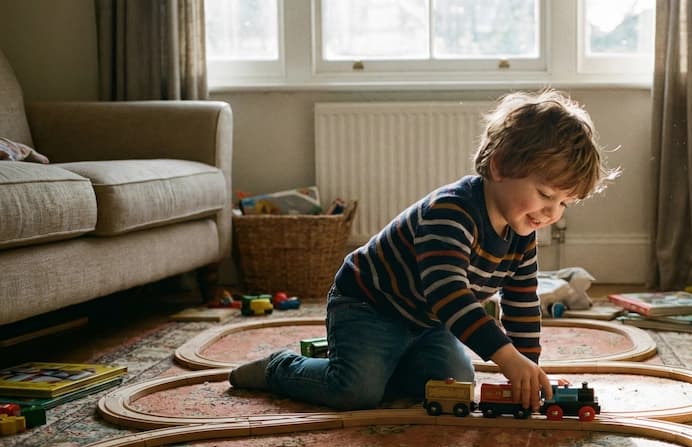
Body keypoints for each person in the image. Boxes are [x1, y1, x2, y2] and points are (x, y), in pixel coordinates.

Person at [229, 88, 616, 412]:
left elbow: (521, 301)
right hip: (369, 307)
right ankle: (279, 368)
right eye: (546, 195)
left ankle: (386, 367)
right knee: (354, 392)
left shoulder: (522, 232)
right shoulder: (451, 212)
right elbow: (448, 294)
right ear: (500, 166)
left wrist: (528, 368)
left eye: (565, 203)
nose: (552, 213)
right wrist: (506, 358)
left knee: (453, 385)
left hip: (427, 323)